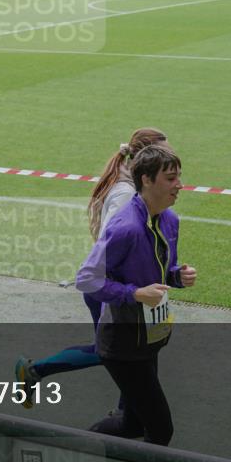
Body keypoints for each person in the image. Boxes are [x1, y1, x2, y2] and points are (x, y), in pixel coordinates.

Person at [15, 129, 169, 409]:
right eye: (164, 154)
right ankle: (35, 371)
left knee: (128, 351)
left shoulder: (130, 184)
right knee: (115, 352)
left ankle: (129, 413)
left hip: (122, 288)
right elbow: (110, 243)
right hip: (111, 289)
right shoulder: (125, 193)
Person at [76, 144, 197, 445]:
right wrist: (135, 294)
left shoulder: (170, 220)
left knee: (132, 423)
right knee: (160, 429)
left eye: (179, 177)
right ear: (146, 180)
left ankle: (76, 447)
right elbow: (88, 279)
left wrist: (176, 276)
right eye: (170, 178)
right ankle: (75, 449)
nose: (179, 185)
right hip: (122, 342)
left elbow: (159, 271)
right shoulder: (125, 227)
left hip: (149, 336)